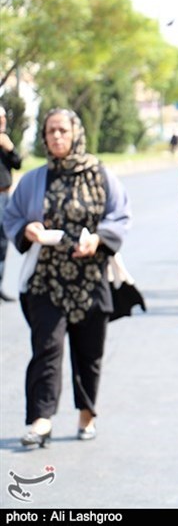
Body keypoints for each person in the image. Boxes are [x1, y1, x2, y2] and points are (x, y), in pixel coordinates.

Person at [2, 108, 132, 447]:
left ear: (75, 133)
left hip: (90, 279)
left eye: (62, 130)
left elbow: (120, 214)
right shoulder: (34, 179)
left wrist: (99, 238)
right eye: (50, 131)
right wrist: (26, 229)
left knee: (89, 354)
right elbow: (12, 215)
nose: (56, 136)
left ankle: (87, 414)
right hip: (47, 279)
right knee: (46, 348)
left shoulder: (101, 174)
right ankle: (40, 419)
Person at [0, 104, 23, 302]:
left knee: (2, 243)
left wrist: (10, 149)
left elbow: (18, 163)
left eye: (3, 119)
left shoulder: (6, 141)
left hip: (5, 197)